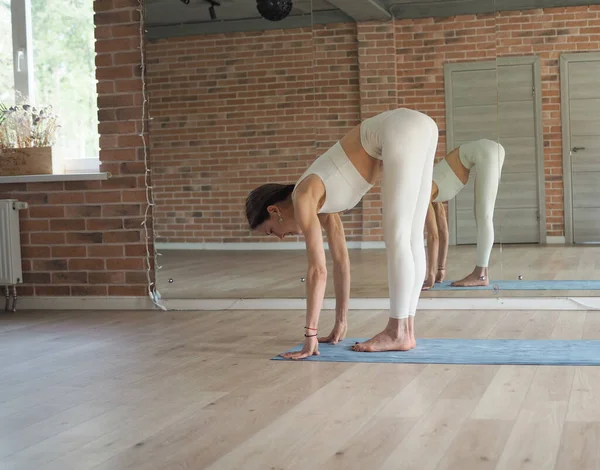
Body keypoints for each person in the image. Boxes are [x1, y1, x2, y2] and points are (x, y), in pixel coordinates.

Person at [245, 108, 438, 359]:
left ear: (274, 210)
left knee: (398, 235)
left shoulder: (304, 196)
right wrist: (341, 322)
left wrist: (310, 334)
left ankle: (398, 331)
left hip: (402, 127)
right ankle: (406, 330)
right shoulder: (319, 200)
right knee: (410, 235)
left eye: (271, 231)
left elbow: (317, 270)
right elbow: (341, 262)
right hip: (423, 126)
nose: (280, 237)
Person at [422, 139, 505, 290]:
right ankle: (482, 273)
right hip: (489, 150)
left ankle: (481, 275)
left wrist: (431, 276)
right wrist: (441, 269)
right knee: (482, 215)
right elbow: (443, 231)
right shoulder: (432, 191)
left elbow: (433, 236)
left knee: (484, 216)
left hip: (486, 151)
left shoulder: (423, 192)